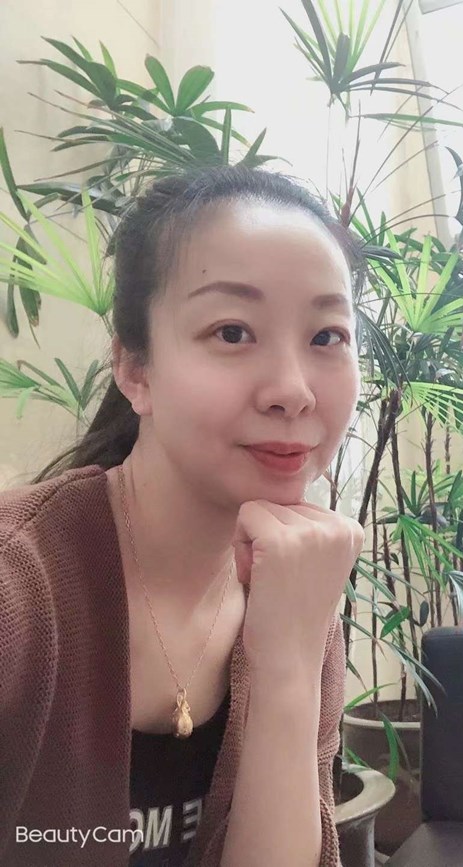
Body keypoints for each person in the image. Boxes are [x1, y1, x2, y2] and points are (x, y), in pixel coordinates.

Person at [0, 165, 367, 867]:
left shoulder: (297, 591)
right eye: (233, 331)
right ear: (135, 370)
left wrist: (288, 665)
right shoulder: (18, 590)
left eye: (327, 337)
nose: (293, 391)